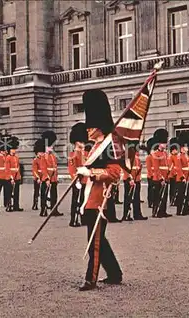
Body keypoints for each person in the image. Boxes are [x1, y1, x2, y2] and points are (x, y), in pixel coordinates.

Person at [77, 89, 123, 291]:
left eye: (91, 126)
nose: (88, 129)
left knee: (94, 241)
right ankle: (114, 273)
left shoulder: (110, 145)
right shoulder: (96, 146)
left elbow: (114, 173)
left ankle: (91, 278)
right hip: (90, 197)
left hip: (100, 199)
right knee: (99, 240)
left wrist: (91, 173)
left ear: (99, 126)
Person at [68, 122, 88, 227]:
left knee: (83, 200)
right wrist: (75, 180)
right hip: (78, 180)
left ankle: (83, 218)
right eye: (81, 142)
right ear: (76, 142)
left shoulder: (85, 153)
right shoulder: (73, 154)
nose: (83, 144)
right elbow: (71, 169)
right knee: (76, 200)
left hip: (85, 179)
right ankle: (74, 219)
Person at [40, 131, 62, 217]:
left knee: (54, 195)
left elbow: (55, 167)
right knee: (44, 195)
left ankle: (54, 209)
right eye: (50, 146)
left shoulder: (53, 156)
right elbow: (43, 168)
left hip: (53, 178)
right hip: (47, 178)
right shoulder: (44, 156)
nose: (52, 148)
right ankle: (43, 210)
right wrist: (46, 179)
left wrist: (56, 177)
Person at [152, 129, 172, 218]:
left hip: (166, 177)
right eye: (164, 143)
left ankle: (163, 211)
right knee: (157, 196)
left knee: (164, 196)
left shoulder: (165, 154)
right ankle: (156, 211)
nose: (165, 144)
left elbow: (167, 165)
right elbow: (156, 168)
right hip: (158, 178)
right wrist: (161, 178)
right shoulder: (155, 154)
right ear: (159, 143)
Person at [122, 152, 148, 221]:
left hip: (136, 180)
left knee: (136, 198)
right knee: (128, 198)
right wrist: (129, 179)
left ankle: (137, 214)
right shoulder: (127, 157)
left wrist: (137, 180)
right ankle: (126, 215)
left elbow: (139, 169)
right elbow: (125, 169)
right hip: (129, 180)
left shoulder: (137, 158)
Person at [176, 133, 189, 216]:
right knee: (181, 194)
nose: (187, 149)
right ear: (182, 148)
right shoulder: (179, 156)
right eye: (186, 147)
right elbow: (179, 168)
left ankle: (186, 208)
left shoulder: (186, 156)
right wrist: (182, 177)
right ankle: (180, 210)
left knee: (187, 193)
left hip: (187, 176)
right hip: (181, 178)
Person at [5, 136, 23, 212]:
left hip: (16, 176)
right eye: (13, 149)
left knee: (16, 192)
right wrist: (11, 178)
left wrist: (19, 176)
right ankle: (9, 205)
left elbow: (18, 167)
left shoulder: (16, 158)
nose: (14, 151)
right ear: (10, 150)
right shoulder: (8, 157)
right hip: (11, 177)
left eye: (15, 149)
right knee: (9, 192)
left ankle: (16, 206)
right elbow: (7, 169)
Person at [0, 140, 9, 208]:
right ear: (1, 151)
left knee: (6, 191)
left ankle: (5, 203)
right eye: (3, 150)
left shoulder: (6, 157)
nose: (4, 151)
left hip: (6, 176)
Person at [31, 140, 44, 210]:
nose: (41, 153)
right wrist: (37, 178)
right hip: (38, 177)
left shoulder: (44, 159)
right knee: (36, 192)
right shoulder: (35, 160)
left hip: (43, 177)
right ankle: (35, 204)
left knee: (43, 192)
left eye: (42, 152)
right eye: (40, 152)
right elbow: (34, 170)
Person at [168, 137, 179, 206]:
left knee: (176, 188)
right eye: (175, 150)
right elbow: (171, 167)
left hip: (177, 175)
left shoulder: (177, 156)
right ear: (172, 150)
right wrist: (174, 173)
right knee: (172, 188)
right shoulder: (170, 157)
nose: (177, 151)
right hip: (173, 175)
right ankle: (172, 200)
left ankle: (176, 200)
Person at [145, 138, 155, 208]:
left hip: (155, 175)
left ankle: (153, 201)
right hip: (151, 175)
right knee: (151, 189)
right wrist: (152, 175)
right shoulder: (149, 157)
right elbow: (149, 168)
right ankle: (150, 201)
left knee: (154, 190)